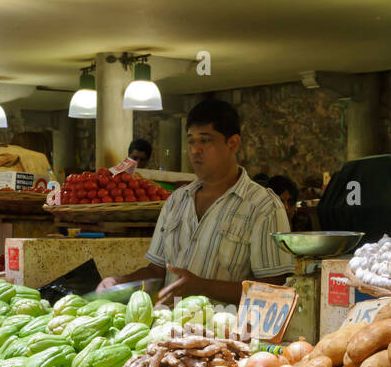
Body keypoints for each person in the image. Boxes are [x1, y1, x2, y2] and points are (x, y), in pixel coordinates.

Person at [98, 99, 293, 305]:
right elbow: (156, 270)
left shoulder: (263, 207)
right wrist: (121, 281)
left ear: (233, 143)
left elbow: (275, 290)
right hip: (170, 330)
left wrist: (202, 286)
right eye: (191, 141)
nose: (195, 150)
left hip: (227, 333)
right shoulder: (177, 201)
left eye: (205, 140)